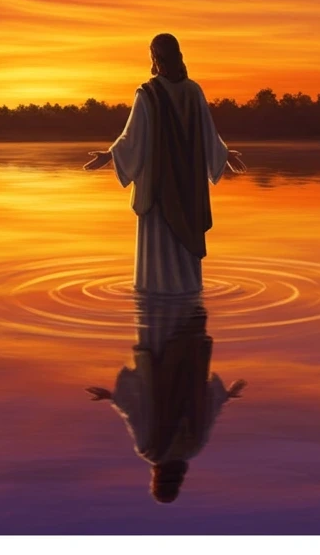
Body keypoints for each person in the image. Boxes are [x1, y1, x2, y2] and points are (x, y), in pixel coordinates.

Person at [84, 33, 244, 294]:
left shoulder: (149, 93)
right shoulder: (191, 91)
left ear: (157, 58)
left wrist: (110, 155)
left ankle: (156, 288)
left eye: (154, 56)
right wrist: (224, 155)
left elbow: (132, 138)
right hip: (189, 186)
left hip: (159, 187)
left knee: (160, 240)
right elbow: (207, 134)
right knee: (181, 242)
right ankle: (185, 291)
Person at [85, 293, 246, 504]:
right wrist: (111, 398)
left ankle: (189, 304)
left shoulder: (193, 448)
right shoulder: (149, 449)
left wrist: (226, 396)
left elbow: (207, 412)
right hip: (158, 369)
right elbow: (135, 414)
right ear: (156, 480)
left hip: (189, 369)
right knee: (155, 321)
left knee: (189, 321)